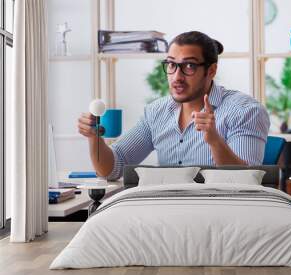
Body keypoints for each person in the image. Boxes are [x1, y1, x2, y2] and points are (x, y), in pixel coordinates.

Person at [78, 31, 270, 180]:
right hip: (166, 214)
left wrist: (214, 141)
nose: (177, 77)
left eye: (189, 66)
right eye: (171, 65)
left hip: (220, 212)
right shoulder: (156, 112)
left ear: (211, 70)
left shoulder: (245, 111)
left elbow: (247, 183)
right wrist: (94, 138)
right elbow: (112, 169)